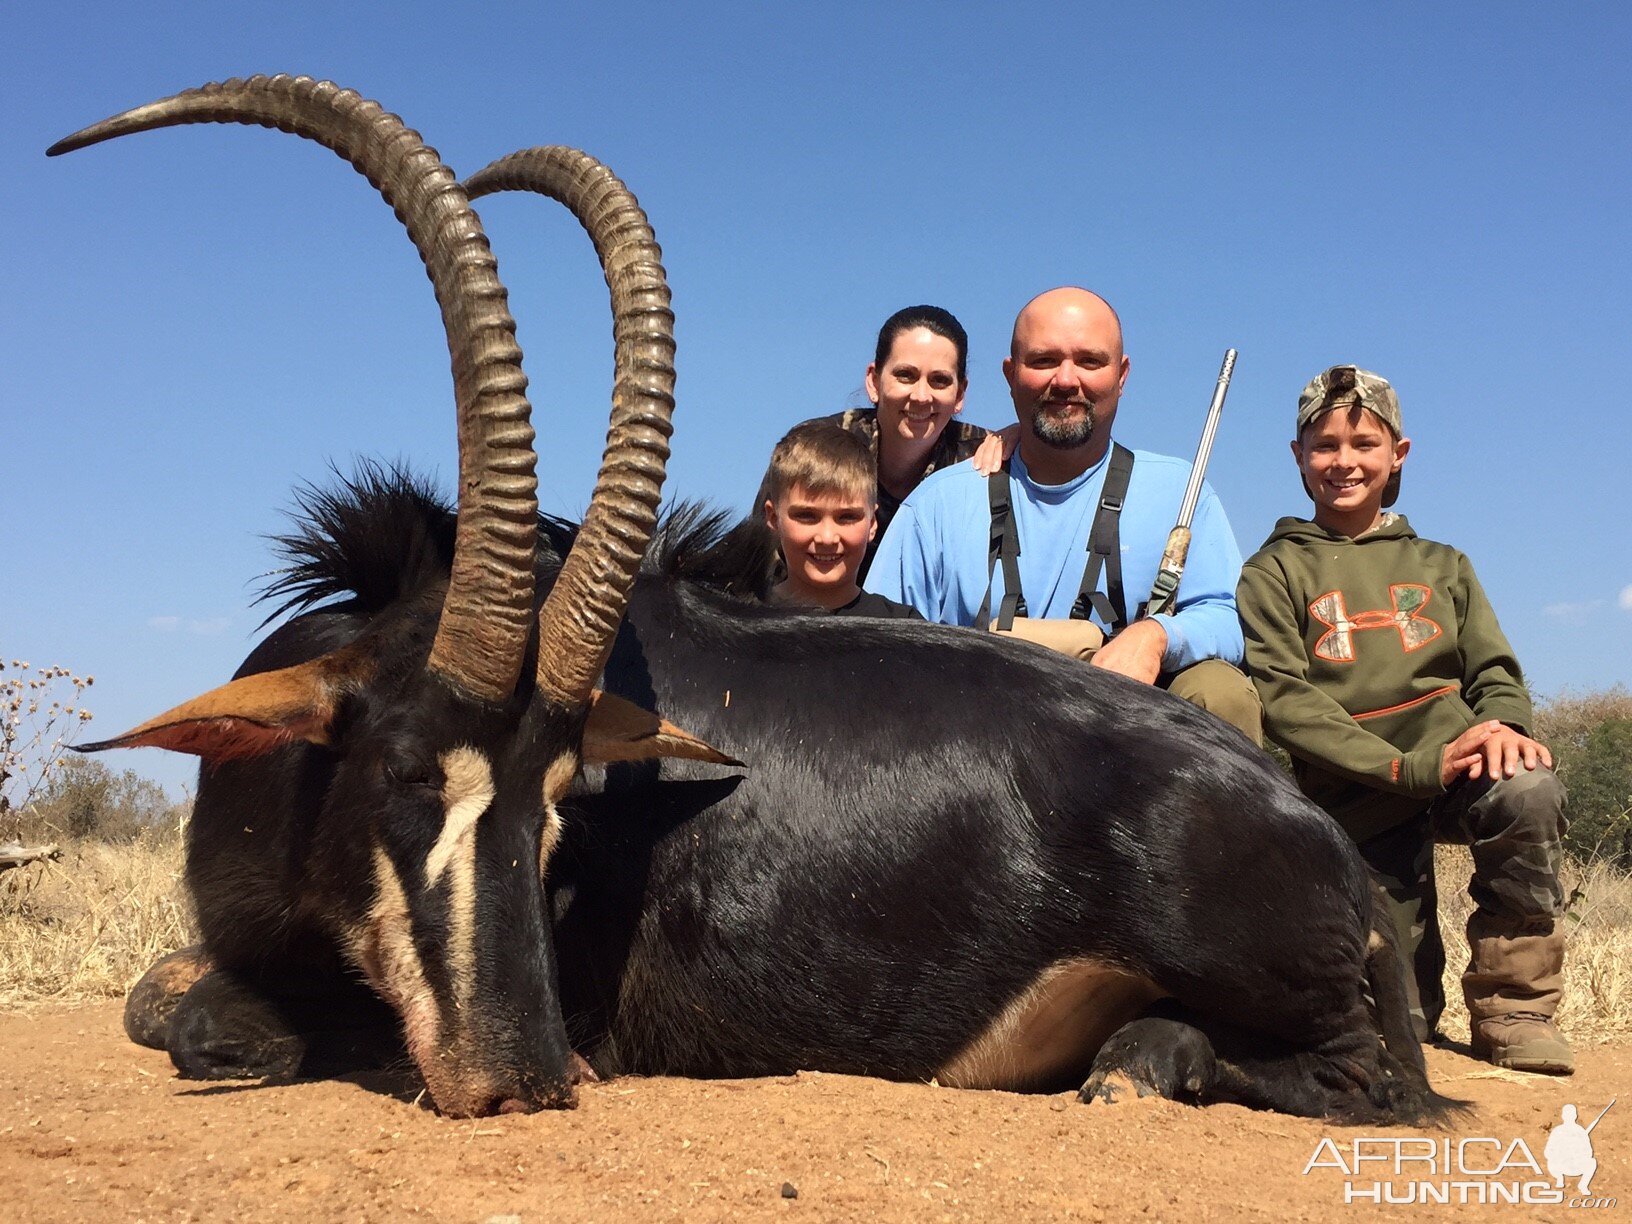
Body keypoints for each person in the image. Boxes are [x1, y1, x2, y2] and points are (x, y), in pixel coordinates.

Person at [1236, 364, 1572, 1073]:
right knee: (1400, 1025)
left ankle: (1515, 1008)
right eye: (1324, 445)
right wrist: (1407, 768)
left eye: (1363, 443)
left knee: (1529, 790)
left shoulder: (1443, 563)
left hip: (1463, 769)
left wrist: (1505, 729)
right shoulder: (1272, 571)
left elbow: (1494, 673)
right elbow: (1288, 702)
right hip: (1356, 796)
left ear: (1399, 454)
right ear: (1297, 457)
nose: (1344, 461)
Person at [865, 286, 1261, 740]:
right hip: (977, 751)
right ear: (1010, 374)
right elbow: (880, 648)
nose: (1067, 380)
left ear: (1122, 374)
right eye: (1043, 361)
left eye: (1090, 361)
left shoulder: (1181, 493)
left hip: (1129, 746)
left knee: (1220, 691)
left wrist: (1156, 638)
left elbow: (1228, 618)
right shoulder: (936, 505)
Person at [814, 305, 1000, 580]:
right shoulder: (818, 448)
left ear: (960, 394)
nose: (922, 396)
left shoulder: (986, 457)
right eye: (906, 375)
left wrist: (1019, 437)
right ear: (874, 382)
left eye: (939, 380)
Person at [760, 421, 923, 618]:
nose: (827, 538)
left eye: (847, 517)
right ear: (773, 518)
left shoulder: (904, 630)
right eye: (806, 516)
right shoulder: (739, 623)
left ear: (872, 524)